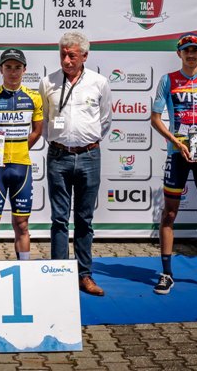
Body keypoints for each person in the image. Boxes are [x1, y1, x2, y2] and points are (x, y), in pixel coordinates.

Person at [150, 32, 197, 295]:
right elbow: (156, 118)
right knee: (169, 214)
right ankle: (166, 274)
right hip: (177, 153)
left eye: (195, 50)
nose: (191, 54)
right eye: (186, 51)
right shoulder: (168, 80)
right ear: (179, 54)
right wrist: (176, 142)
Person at [39, 32, 112, 296]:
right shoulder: (47, 82)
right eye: (63, 55)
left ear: (84, 56)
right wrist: (60, 141)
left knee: (84, 219)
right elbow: (44, 120)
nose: (66, 60)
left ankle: (84, 275)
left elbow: (105, 120)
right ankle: (58, 274)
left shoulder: (99, 83)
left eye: (72, 55)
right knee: (59, 218)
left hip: (89, 156)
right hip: (58, 157)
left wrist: (86, 141)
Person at [0, 48, 43, 261]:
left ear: (24, 70)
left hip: (22, 167)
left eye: (17, 68)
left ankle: (24, 271)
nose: (13, 72)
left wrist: (20, 149)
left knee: (22, 224)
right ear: (1, 69)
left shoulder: (34, 97)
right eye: (8, 67)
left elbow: (37, 131)